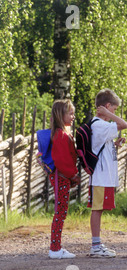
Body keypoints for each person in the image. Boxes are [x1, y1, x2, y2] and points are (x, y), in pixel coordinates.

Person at [88, 89, 127, 258]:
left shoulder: (102, 126)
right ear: (107, 106)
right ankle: (95, 245)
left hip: (104, 176)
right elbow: (125, 124)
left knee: (100, 209)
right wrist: (107, 114)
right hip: (100, 177)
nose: (114, 113)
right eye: (114, 109)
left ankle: (97, 243)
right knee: (97, 209)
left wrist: (115, 144)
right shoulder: (98, 124)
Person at [48, 99, 81, 259]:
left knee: (61, 211)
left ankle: (56, 246)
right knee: (60, 212)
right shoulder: (61, 135)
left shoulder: (63, 133)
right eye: (70, 113)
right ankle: (55, 248)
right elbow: (62, 160)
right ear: (61, 115)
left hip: (64, 178)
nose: (73, 116)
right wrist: (72, 174)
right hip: (62, 177)